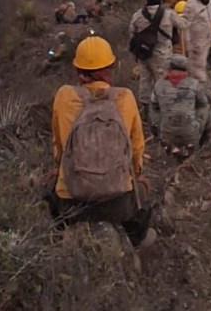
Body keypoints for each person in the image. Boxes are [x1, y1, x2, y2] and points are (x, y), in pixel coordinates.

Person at [48, 35, 153, 249]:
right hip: (118, 204)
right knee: (146, 189)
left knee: (48, 186)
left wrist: (58, 169)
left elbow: (59, 148)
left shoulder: (64, 96)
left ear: (79, 71)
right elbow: (136, 151)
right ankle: (136, 238)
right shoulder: (125, 97)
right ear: (109, 68)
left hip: (72, 205)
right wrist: (137, 175)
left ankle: (60, 231)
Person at [128, 0, 185, 107]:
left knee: (145, 82)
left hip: (144, 54)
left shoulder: (137, 16)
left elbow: (132, 34)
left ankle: (146, 111)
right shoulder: (169, 14)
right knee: (162, 84)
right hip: (162, 55)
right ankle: (161, 112)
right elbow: (183, 25)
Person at [150, 53, 211, 155]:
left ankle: (166, 143)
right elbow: (203, 105)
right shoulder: (194, 84)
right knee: (206, 108)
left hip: (166, 133)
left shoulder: (159, 85)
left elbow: (154, 108)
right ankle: (202, 141)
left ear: (170, 67)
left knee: (154, 110)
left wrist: (157, 129)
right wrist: (200, 124)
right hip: (191, 134)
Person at [180, 0, 211, 82]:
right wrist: (188, 46)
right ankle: (196, 95)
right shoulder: (191, 5)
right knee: (197, 74)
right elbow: (185, 27)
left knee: (202, 68)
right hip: (195, 45)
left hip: (206, 41)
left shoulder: (208, 1)